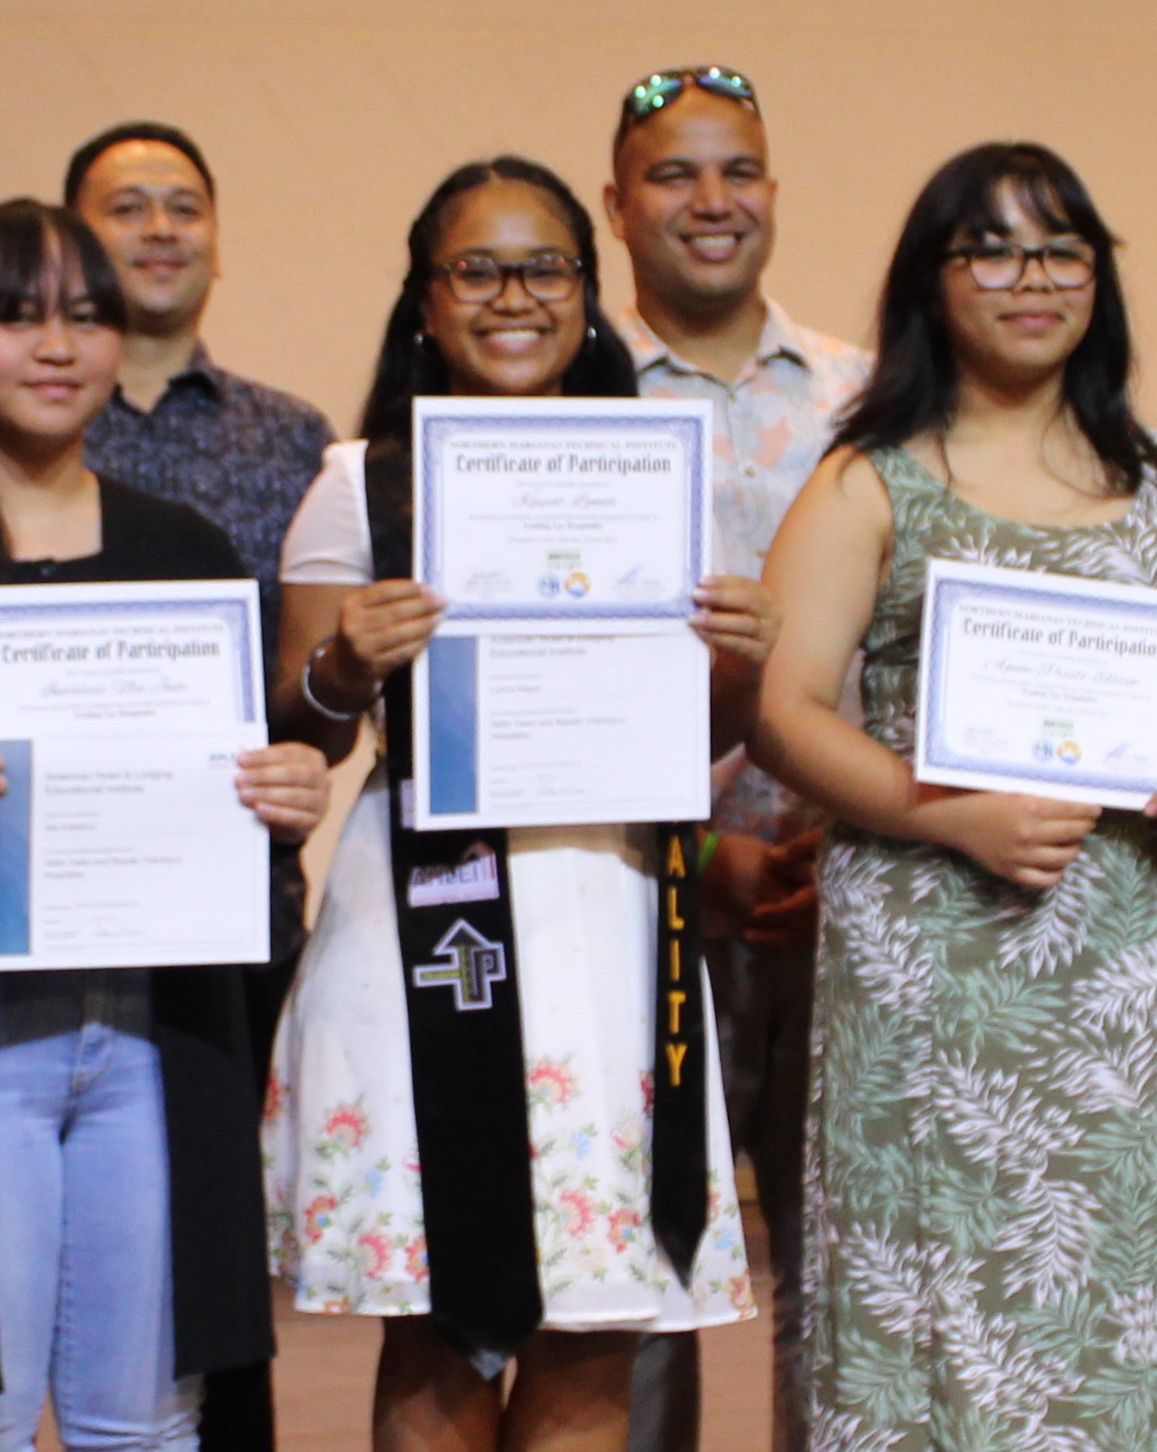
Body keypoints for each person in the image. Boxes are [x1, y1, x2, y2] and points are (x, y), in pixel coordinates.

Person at [749, 140, 1157, 1452]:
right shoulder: (870, 475)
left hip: (1115, 955)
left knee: (1103, 1286)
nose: (1030, 278)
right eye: (989, 248)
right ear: (932, 281)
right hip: (928, 951)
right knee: (936, 1289)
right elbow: (784, 708)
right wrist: (940, 812)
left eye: (1060, 250)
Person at [0, 198, 335, 1452]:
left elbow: (237, 794)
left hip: (155, 1033)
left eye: (86, 315)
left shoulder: (183, 555)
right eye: (15, 313)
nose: (58, 345)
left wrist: (280, 798)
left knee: (142, 1424)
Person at [263, 156, 769, 1452]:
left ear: (588, 294)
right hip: (432, 917)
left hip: (611, 922)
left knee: (592, 1334)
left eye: (543, 266)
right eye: (474, 269)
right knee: (434, 1333)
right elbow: (295, 737)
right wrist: (344, 664)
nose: (512, 296)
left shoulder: (658, 476)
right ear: (425, 301)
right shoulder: (355, 481)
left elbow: (692, 733)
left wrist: (742, 662)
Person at [590, 65, 866, 1452]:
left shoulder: (867, 396)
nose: (712, 202)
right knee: (649, 1266)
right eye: (674, 174)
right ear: (617, 203)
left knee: (843, 1263)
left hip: (847, 889)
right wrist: (700, 849)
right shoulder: (568, 398)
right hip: (638, 898)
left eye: (738, 171)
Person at [63, 123, 335, 574]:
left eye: (186, 211)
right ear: (69, 247)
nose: (161, 229)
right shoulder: (26, 431)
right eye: (128, 209)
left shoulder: (294, 437)